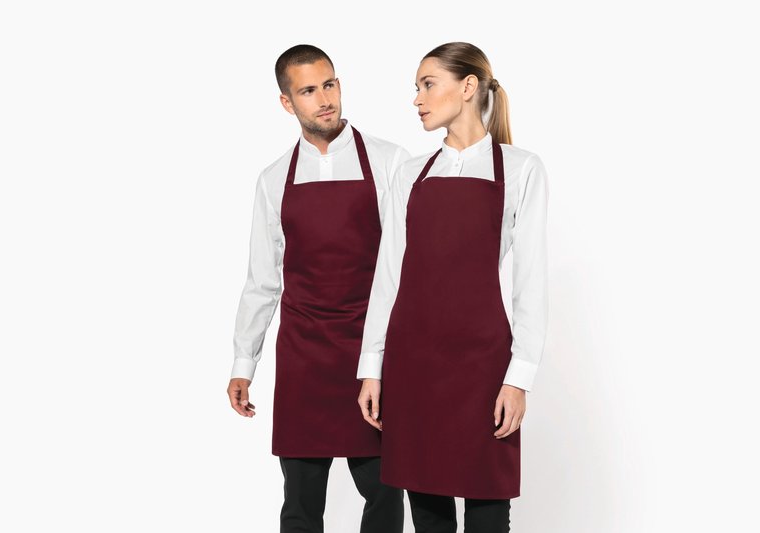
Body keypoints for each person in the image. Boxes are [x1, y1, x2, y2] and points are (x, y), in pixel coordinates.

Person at [356, 42, 549, 533]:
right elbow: (389, 274)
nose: (417, 99)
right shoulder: (410, 173)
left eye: (428, 85)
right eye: (416, 88)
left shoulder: (521, 168)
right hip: (413, 364)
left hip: (483, 364)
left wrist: (518, 378)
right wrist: (371, 367)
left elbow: (530, 282)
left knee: (489, 510)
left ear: (467, 87)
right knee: (428, 514)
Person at [227, 44, 409, 533]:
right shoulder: (272, 180)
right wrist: (244, 363)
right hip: (303, 358)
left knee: (385, 494)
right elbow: (262, 280)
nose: (324, 99)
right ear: (287, 102)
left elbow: (409, 268)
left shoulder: (391, 162)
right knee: (301, 505)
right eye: (308, 91)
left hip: (372, 354)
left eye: (329, 85)